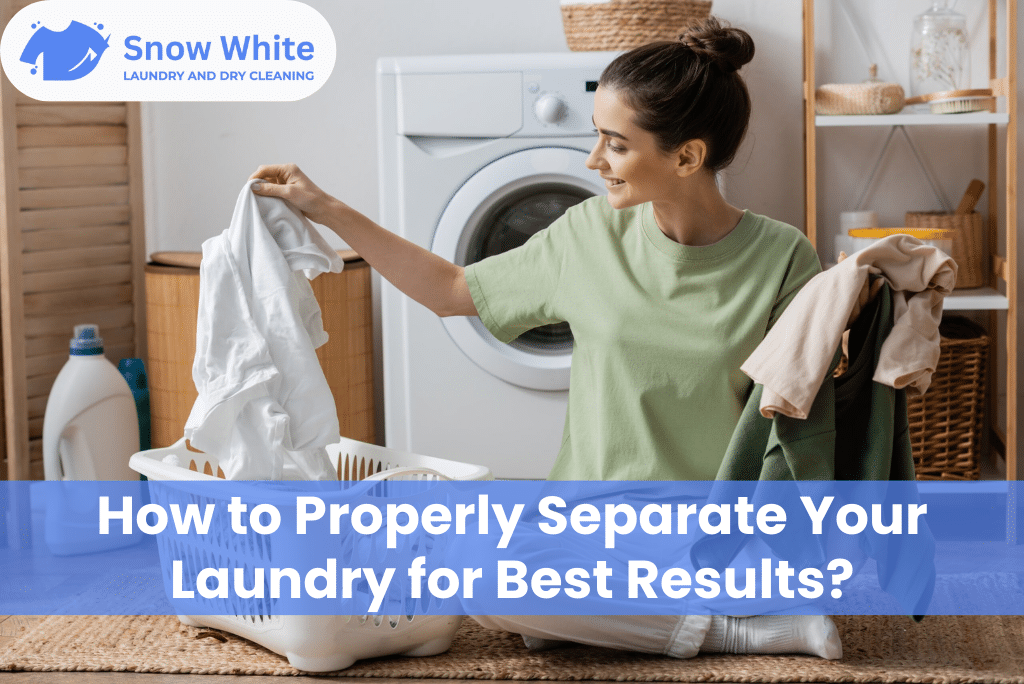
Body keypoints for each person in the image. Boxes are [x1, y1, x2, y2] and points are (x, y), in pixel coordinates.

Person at [251, 17, 842, 660]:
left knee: (528, 599)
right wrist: (326, 207)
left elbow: (799, 420)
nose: (594, 160)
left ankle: (614, 619)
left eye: (616, 144)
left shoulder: (782, 257)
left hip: (714, 534)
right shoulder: (588, 233)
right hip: (589, 526)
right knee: (467, 569)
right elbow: (451, 289)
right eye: (597, 137)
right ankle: (730, 633)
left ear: (687, 157)